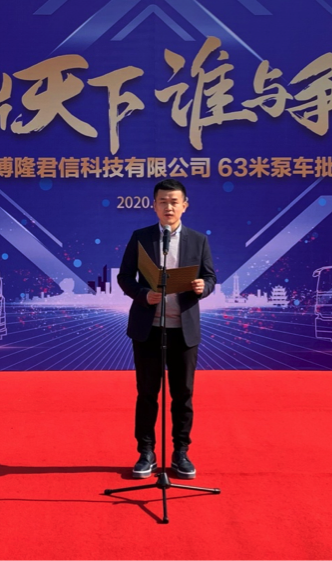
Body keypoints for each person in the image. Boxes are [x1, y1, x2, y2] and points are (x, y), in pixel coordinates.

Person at [117, 178, 216, 480]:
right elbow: (124, 277)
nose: (169, 207)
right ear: (154, 206)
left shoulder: (198, 240)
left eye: (174, 202)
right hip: (148, 329)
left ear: (185, 205)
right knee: (147, 393)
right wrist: (142, 294)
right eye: (163, 202)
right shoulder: (141, 237)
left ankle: (180, 452)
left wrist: (202, 287)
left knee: (182, 395)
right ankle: (146, 452)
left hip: (183, 330)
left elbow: (210, 277)